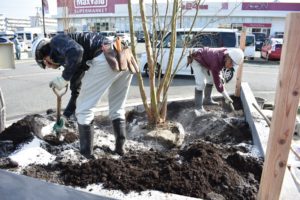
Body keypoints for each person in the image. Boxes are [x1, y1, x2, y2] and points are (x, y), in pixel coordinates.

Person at [32, 32, 137, 157]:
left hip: (106, 57)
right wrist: (65, 117)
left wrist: (64, 78)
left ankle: (86, 156)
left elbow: (77, 50)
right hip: (122, 56)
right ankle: (120, 149)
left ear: (45, 55)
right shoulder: (73, 62)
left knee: (84, 110)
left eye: (46, 64)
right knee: (117, 107)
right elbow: (76, 92)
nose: (49, 66)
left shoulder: (56, 40)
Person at [187, 47, 244, 112]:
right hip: (197, 59)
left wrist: (221, 76)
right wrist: (226, 96)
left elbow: (219, 67)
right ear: (229, 58)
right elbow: (217, 84)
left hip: (207, 61)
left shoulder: (225, 55)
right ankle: (198, 108)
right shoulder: (216, 61)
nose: (230, 67)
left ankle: (207, 100)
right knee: (201, 83)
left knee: (211, 80)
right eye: (231, 64)